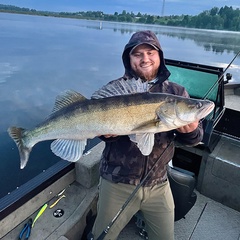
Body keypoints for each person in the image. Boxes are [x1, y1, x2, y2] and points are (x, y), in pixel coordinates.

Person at [89, 30, 203, 240]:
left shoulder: (177, 93)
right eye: (137, 54)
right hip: (116, 181)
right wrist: (106, 134)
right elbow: (100, 130)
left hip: (159, 182)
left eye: (150, 52)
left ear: (159, 56)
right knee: (100, 236)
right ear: (128, 59)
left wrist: (191, 132)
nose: (145, 59)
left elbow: (194, 139)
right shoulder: (117, 90)